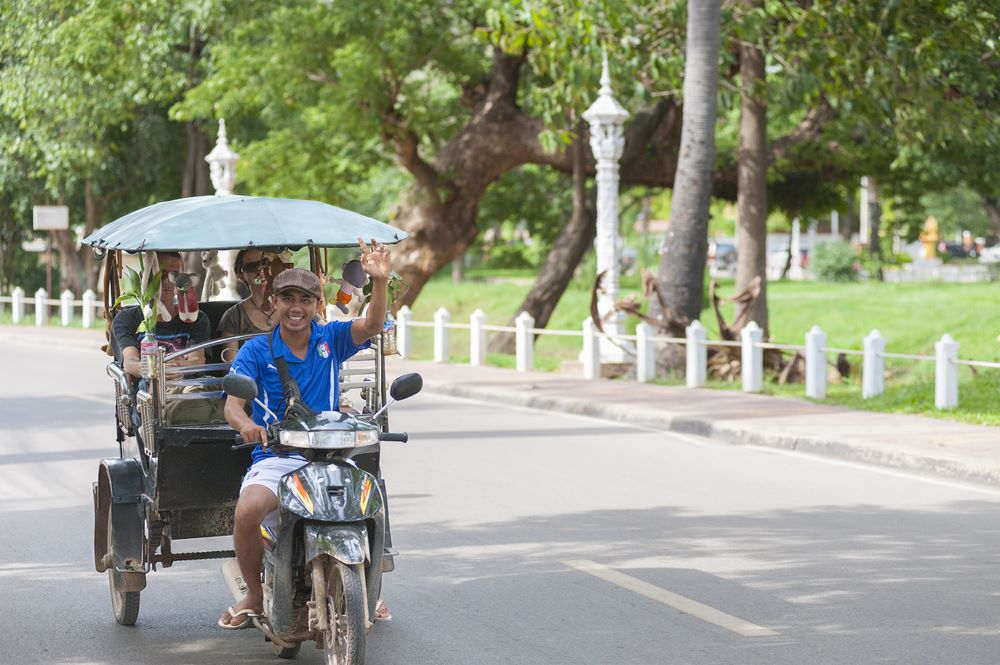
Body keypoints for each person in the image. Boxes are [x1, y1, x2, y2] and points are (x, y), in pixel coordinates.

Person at [219, 238, 391, 629]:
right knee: (246, 511)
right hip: (277, 456)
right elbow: (232, 404)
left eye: (306, 300)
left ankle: (370, 586)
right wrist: (246, 425)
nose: (296, 307)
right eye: (288, 298)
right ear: (273, 304)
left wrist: (379, 282)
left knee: (374, 503)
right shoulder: (255, 352)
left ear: (317, 307)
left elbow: (373, 325)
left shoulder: (330, 339)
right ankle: (253, 593)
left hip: (329, 456)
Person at [112, 251, 210, 380]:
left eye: (173, 276)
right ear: (144, 277)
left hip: (186, 389)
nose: (166, 282)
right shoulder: (126, 319)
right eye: (159, 275)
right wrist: (152, 370)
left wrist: (172, 367)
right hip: (148, 393)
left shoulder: (195, 318)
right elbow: (130, 362)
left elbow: (197, 359)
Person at [218, 248, 278, 359]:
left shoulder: (295, 306)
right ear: (241, 275)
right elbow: (232, 369)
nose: (260, 271)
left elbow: (320, 333)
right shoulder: (234, 316)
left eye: (265, 263)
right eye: (252, 267)